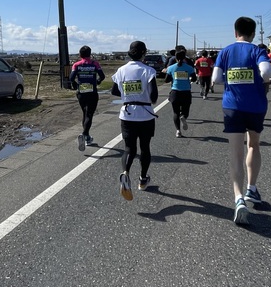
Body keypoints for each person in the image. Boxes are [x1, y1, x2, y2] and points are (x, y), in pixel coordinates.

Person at [214, 16, 271, 225]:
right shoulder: (257, 50)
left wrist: (231, 80)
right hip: (256, 105)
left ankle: (238, 198)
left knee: (235, 153)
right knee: (253, 145)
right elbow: (266, 72)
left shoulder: (226, 51)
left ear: (234, 32)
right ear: (253, 33)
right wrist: (262, 80)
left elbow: (215, 79)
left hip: (232, 106)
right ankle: (252, 189)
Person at [110, 40, 159, 199]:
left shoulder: (121, 70)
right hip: (145, 115)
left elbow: (114, 91)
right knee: (144, 147)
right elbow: (153, 96)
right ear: (144, 53)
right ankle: (143, 180)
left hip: (127, 113)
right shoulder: (148, 71)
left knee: (129, 148)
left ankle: (125, 172)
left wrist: (128, 95)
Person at [69, 45, 105, 152]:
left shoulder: (76, 65)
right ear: (90, 54)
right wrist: (97, 81)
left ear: (80, 55)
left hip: (81, 92)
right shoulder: (95, 64)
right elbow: (102, 76)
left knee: (85, 113)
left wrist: (75, 84)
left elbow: (71, 78)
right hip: (92, 92)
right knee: (89, 114)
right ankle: (84, 134)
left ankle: (87, 137)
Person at [164, 48, 196, 137]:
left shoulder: (171, 68)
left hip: (175, 92)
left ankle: (178, 131)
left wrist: (173, 76)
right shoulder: (189, 68)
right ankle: (184, 117)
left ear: (175, 58)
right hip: (186, 92)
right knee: (185, 111)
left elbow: (166, 80)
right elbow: (194, 79)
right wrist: (188, 78)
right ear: (184, 57)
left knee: (175, 113)